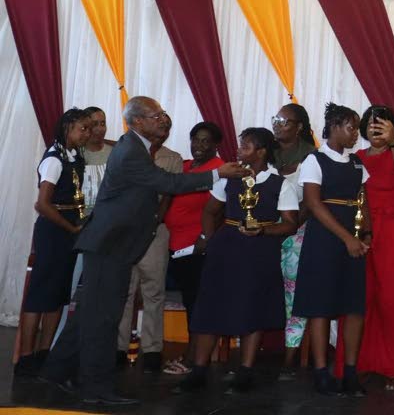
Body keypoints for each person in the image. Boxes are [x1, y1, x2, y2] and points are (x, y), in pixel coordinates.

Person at [40, 96, 246, 408]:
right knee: (103, 319)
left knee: (90, 314)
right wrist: (219, 174)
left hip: (114, 244)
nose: (163, 119)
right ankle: (95, 386)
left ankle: (55, 371)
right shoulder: (130, 150)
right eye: (155, 115)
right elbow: (166, 182)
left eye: (163, 113)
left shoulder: (135, 146)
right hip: (110, 245)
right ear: (137, 122)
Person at [176, 128, 299, 393]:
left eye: (245, 146)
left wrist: (263, 230)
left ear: (262, 151)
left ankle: (245, 371)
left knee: (252, 308)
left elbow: (289, 224)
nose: (239, 150)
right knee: (210, 305)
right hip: (226, 248)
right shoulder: (229, 177)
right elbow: (210, 211)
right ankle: (199, 371)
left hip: (260, 251)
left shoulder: (281, 183)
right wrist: (210, 238)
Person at [292, 103, 371, 396]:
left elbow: (364, 200)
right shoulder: (315, 160)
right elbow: (313, 204)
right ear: (335, 126)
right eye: (351, 128)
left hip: (352, 237)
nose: (355, 135)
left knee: (353, 306)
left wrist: (366, 234)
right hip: (325, 239)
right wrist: (346, 238)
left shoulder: (357, 164)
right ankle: (321, 372)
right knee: (321, 306)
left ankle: (350, 372)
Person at [15, 109, 91, 377]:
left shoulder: (76, 155)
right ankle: (26, 357)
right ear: (68, 127)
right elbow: (43, 204)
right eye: (83, 128)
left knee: (59, 294)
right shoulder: (54, 160)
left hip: (69, 229)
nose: (87, 134)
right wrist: (71, 227)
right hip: (54, 230)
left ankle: (45, 352)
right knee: (40, 295)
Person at [355, 105, 394, 390]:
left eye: (382, 124)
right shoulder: (356, 158)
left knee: (392, 300)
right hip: (364, 230)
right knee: (361, 298)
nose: (375, 128)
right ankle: (360, 363)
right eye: (370, 124)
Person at [116, 112, 183, 374]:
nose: (163, 129)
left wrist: (156, 220)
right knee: (125, 290)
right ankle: (118, 347)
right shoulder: (128, 151)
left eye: (168, 127)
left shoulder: (173, 158)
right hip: (126, 230)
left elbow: (168, 192)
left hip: (156, 229)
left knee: (154, 291)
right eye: (160, 124)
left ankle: (152, 349)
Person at [160, 122, 224, 376]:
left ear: (216, 144)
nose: (199, 146)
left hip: (198, 247)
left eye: (206, 141)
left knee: (198, 304)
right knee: (190, 301)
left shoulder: (219, 170)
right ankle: (193, 355)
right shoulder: (185, 167)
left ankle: (194, 359)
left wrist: (205, 237)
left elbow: (221, 209)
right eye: (196, 140)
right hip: (176, 246)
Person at [272, 103, 316, 378]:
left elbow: (313, 200)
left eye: (284, 121)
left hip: (297, 233)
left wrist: (290, 227)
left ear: (299, 127)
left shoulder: (312, 157)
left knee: (294, 295)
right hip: (264, 232)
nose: (277, 125)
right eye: (275, 119)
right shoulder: (265, 152)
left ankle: (291, 355)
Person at [79, 106, 115, 217]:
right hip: (80, 220)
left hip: (108, 219)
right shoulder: (76, 154)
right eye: (95, 124)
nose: (100, 129)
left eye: (103, 123)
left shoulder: (115, 153)